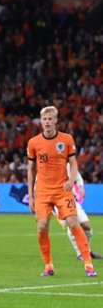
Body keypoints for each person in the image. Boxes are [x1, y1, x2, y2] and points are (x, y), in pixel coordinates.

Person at [26, 105, 96, 277]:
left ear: (56, 120)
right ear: (41, 122)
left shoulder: (66, 140)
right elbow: (31, 170)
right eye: (44, 119)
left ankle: (88, 264)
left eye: (50, 119)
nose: (47, 122)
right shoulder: (33, 143)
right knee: (42, 226)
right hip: (42, 191)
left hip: (62, 190)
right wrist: (31, 195)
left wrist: (71, 181)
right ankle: (48, 266)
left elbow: (73, 164)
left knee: (73, 223)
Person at [54, 165, 103, 261]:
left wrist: (81, 187)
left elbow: (77, 176)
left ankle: (86, 250)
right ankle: (80, 254)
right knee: (72, 225)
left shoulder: (68, 165)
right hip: (58, 201)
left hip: (72, 200)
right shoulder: (50, 165)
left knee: (87, 226)